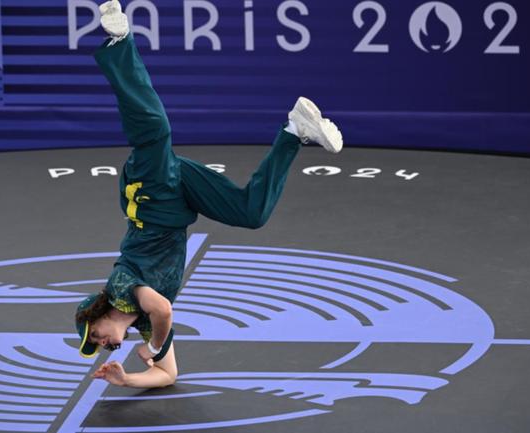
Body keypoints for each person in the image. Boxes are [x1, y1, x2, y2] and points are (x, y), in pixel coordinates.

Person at [75, 0, 343, 389]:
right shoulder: (147, 323)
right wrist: (128, 378)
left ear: (96, 312)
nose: (102, 344)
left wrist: (154, 344)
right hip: (179, 204)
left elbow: (163, 308)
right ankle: (294, 130)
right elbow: (168, 376)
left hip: (151, 201)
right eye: (99, 347)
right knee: (251, 212)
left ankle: (119, 42)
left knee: (154, 129)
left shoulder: (119, 289)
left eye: (94, 334)